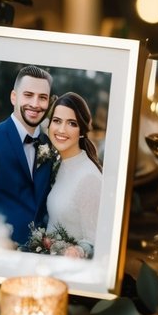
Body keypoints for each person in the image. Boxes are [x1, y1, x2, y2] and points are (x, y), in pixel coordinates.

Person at [0, 65, 55, 246]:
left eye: (43, 98)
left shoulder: (48, 144)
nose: (35, 104)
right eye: (28, 95)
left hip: (38, 254)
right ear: (13, 97)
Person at [44, 92, 102, 247]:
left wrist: (75, 252)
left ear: (82, 131)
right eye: (57, 121)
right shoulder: (60, 163)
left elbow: (95, 242)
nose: (62, 130)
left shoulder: (89, 178)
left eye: (72, 123)